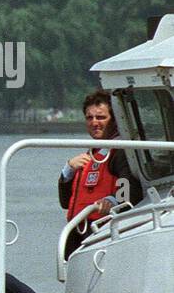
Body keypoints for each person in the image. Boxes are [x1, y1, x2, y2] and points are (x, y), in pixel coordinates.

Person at [59, 90, 138, 260]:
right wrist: (67, 172)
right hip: (78, 235)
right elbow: (66, 203)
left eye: (101, 117)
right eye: (90, 118)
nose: (95, 122)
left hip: (101, 233)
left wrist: (113, 201)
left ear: (115, 119)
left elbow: (130, 188)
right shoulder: (90, 155)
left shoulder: (120, 153)